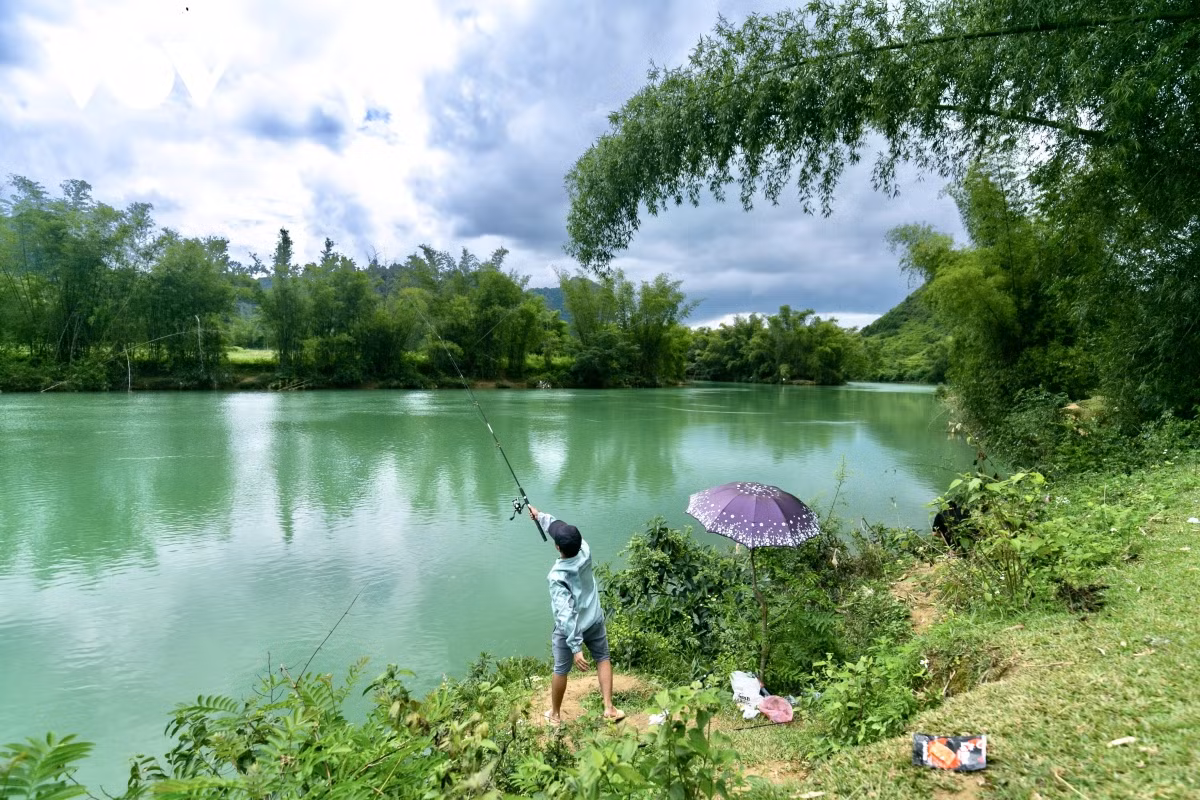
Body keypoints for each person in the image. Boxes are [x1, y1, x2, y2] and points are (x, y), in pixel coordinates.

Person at [528, 505, 625, 726]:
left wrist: (576, 647)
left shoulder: (557, 576)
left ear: (557, 547)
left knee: (561, 669)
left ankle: (555, 714)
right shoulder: (585, 550)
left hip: (570, 631)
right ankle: (609, 708)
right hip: (594, 619)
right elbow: (558, 527)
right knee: (603, 658)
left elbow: (565, 614)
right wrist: (540, 516)